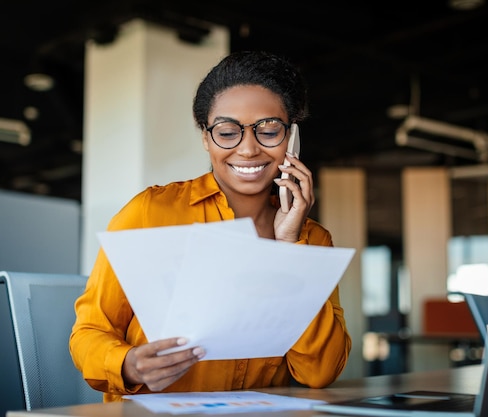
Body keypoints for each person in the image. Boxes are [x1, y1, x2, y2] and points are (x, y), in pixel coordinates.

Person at [69, 50, 352, 402]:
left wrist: (288, 249)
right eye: (228, 131)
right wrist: (128, 364)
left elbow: (318, 372)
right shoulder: (149, 213)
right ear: (206, 138)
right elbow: (90, 332)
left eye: (268, 130)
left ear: (291, 138)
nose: (248, 149)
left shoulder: (311, 239)